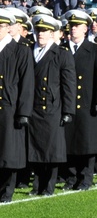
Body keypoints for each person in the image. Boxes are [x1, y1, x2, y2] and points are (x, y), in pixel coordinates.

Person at [26, 14, 75, 196]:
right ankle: (37, 184)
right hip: (33, 107)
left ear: (53, 33)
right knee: (36, 148)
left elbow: (68, 85)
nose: (41, 34)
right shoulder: (29, 50)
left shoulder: (61, 54)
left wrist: (68, 110)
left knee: (51, 149)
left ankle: (49, 185)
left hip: (52, 107)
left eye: (45, 31)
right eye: (39, 30)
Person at [62, 9, 97, 191]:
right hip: (68, 102)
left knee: (86, 143)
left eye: (78, 26)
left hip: (87, 103)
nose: (74, 30)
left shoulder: (95, 49)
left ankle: (86, 177)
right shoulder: (63, 49)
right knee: (70, 142)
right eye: (72, 26)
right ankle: (71, 177)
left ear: (85, 29)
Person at [0, 8, 33, 203]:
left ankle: (6, 190)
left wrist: (23, 112)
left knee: (8, 152)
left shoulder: (20, 50)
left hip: (9, 107)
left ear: (7, 28)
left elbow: (26, 84)